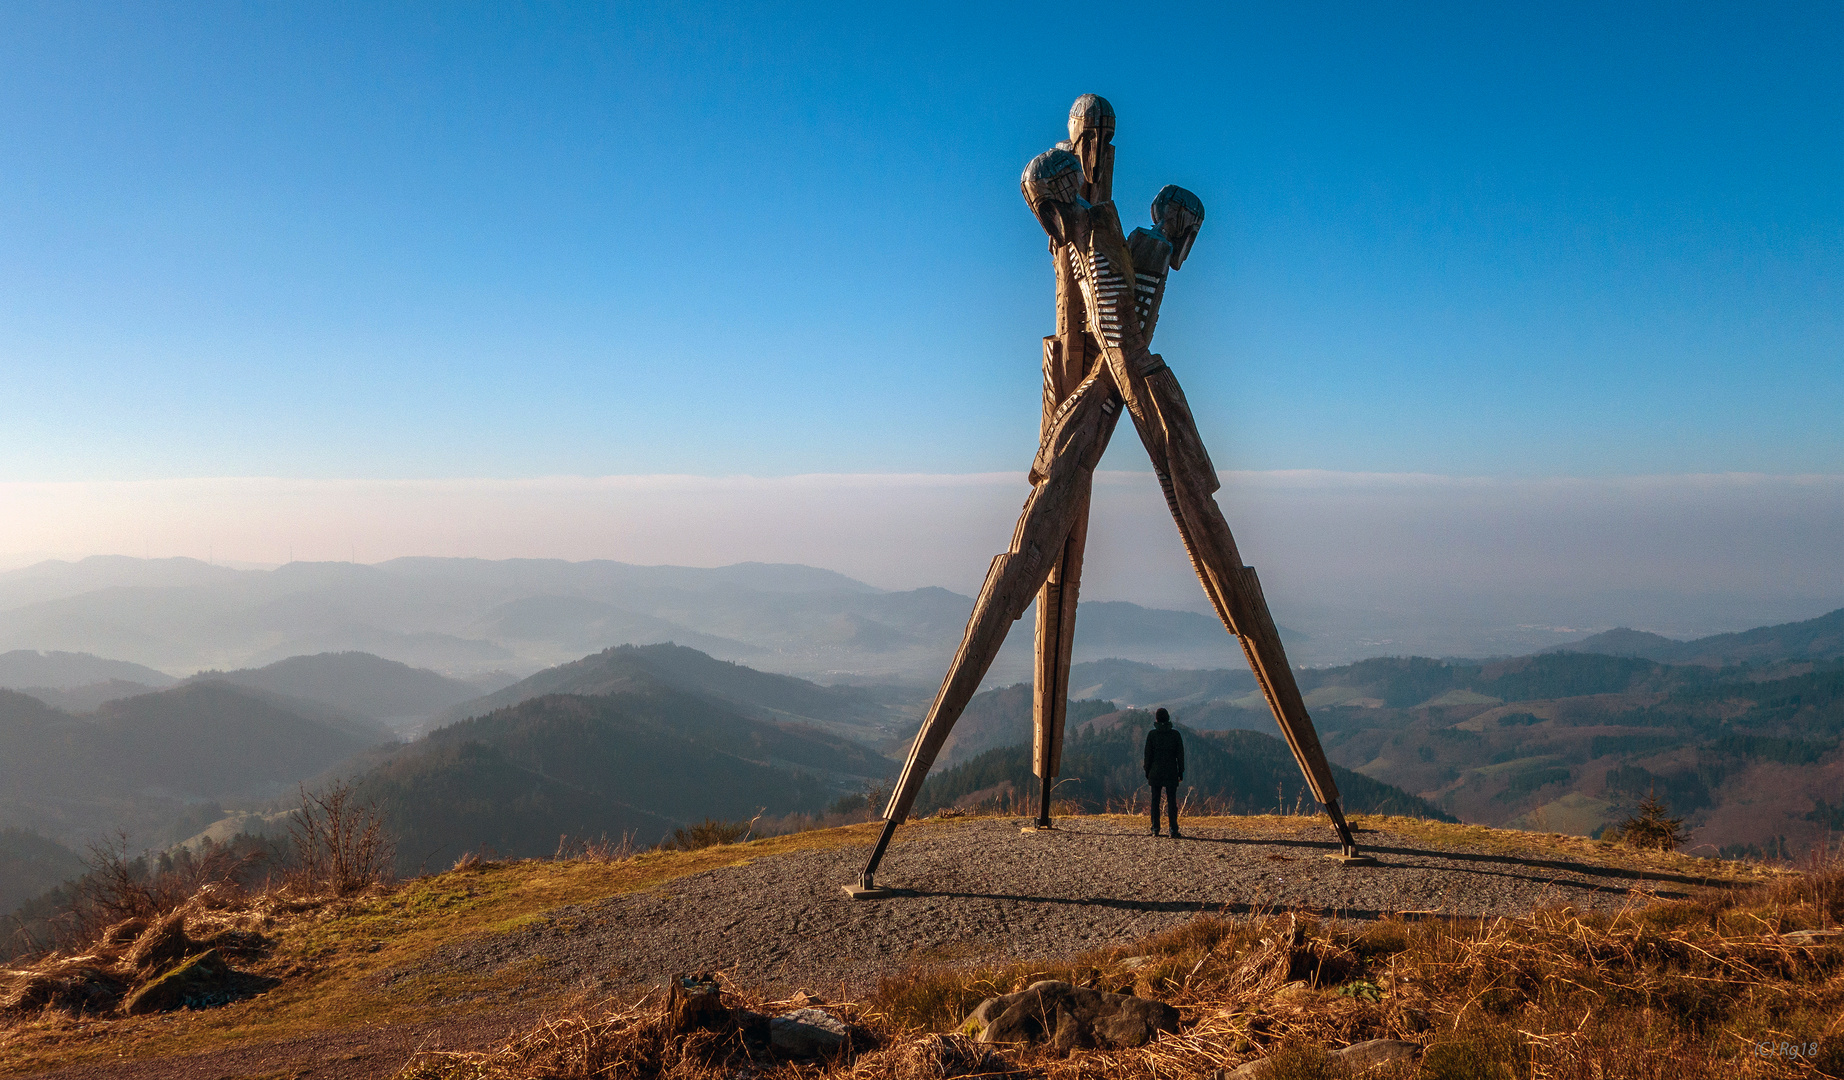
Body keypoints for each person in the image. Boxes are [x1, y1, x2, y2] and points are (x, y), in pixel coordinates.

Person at [1143, 708, 1185, 837]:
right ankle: (1173, 830)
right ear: (1168, 719)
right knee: (1172, 801)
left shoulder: (1152, 735)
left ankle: (1155, 829)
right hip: (1171, 771)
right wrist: (1180, 772)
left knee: (1155, 801)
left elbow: (1148, 755)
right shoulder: (1175, 735)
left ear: (1156, 719)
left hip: (1155, 772)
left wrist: (1147, 770)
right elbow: (1180, 756)